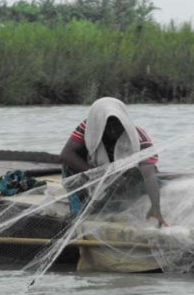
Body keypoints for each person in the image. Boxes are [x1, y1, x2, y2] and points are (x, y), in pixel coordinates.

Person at [60, 97, 167, 227]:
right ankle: (84, 204)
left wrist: (155, 206)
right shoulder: (89, 128)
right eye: (107, 126)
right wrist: (98, 175)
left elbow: (149, 175)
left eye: (117, 125)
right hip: (93, 175)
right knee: (68, 167)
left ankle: (117, 201)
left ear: (124, 122)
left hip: (122, 180)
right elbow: (66, 154)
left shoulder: (139, 138)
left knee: (145, 177)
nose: (112, 131)